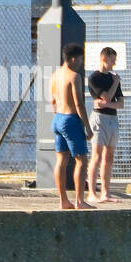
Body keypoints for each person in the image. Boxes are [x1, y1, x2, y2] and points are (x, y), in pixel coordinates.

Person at [48, 42, 92, 209]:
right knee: (81, 160)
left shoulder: (54, 76)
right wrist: (87, 127)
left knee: (61, 160)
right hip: (71, 119)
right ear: (73, 59)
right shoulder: (74, 77)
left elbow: (52, 101)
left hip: (57, 118)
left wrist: (58, 118)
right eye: (80, 59)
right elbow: (79, 104)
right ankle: (80, 201)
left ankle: (63, 201)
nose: (81, 63)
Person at [85, 47, 123, 203]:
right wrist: (115, 83)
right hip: (99, 119)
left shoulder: (113, 77)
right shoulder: (94, 78)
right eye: (112, 60)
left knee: (109, 156)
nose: (114, 63)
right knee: (97, 155)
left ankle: (106, 192)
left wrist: (107, 104)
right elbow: (107, 97)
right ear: (104, 59)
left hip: (112, 119)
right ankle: (92, 192)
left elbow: (120, 103)